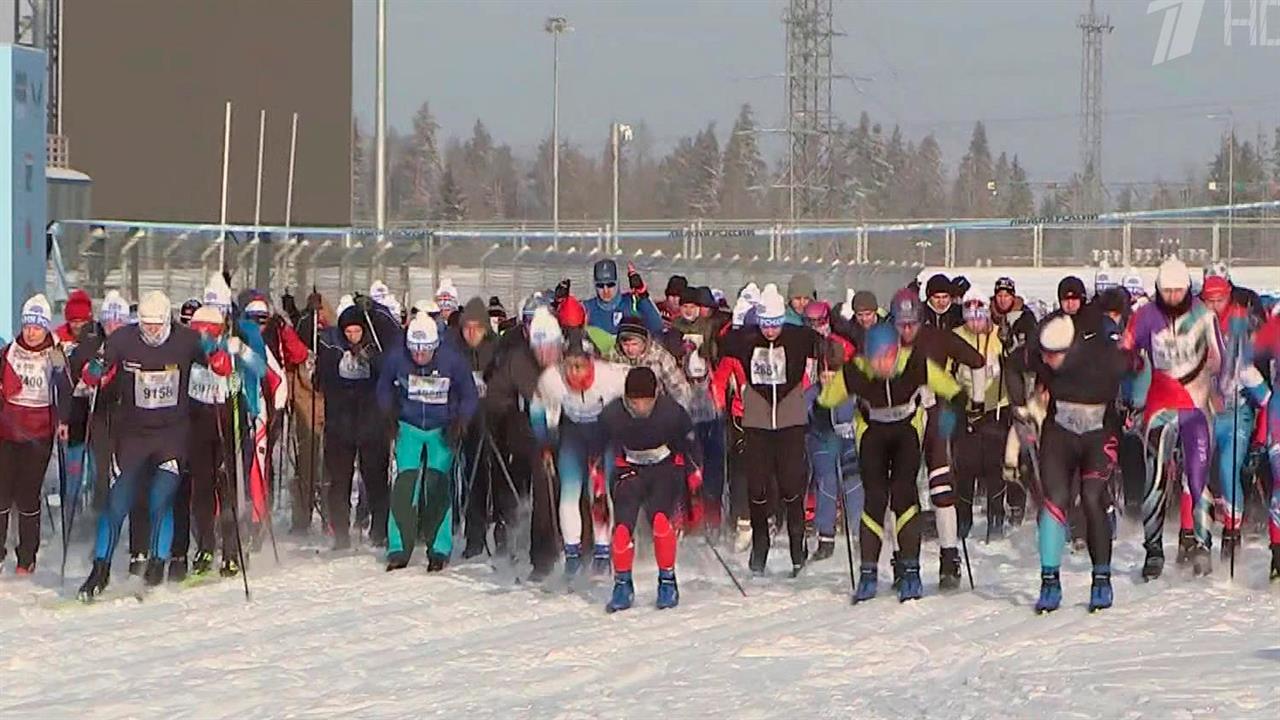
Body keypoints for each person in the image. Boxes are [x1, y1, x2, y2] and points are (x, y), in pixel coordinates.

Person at [77, 291, 233, 599]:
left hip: (172, 435)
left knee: (160, 499)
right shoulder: (123, 339)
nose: (150, 331)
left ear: (167, 321)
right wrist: (95, 371)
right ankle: (100, 569)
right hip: (133, 435)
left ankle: (158, 563)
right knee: (117, 503)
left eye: (156, 325)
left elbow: (223, 368)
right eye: (145, 324)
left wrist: (215, 352)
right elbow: (91, 374)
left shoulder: (185, 340)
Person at [819, 323, 965, 603]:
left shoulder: (915, 364)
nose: (882, 364)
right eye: (876, 357)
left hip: (907, 428)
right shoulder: (856, 370)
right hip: (872, 430)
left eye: (887, 356)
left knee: (904, 495)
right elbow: (824, 402)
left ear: (897, 352)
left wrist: (953, 416)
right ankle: (868, 573)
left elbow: (954, 391)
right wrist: (826, 429)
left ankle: (911, 571)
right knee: (874, 498)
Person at [1122, 257, 1222, 579]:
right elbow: (1125, 350)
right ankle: (1153, 550)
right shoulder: (1145, 315)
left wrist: (1218, 383)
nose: (1174, 296)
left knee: (1197, 478)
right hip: (1160, 407)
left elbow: (1219, 359)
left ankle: (1203, 547)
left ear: (1188, 289)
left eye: (1179, 290)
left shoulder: (1204, 316)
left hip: (1196, 407)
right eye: (1167, 291)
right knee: (1156, 481)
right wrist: (1130, 363)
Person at [718, 285, 821, 576]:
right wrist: (738, 320)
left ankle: (797, 544)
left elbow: (826, 339)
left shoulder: (797, 336)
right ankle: (760, 542)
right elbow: (721, 341)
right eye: (765, 324)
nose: (771, 331)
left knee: (791, 485)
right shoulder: (748, 339)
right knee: (757, 487)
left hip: (790, 419)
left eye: (775, 324)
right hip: (757, 420)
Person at [1031, 315, 1127, 613]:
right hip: (1060, 433)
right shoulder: (1042, 354)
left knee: (1091, 498)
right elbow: (1012, 366)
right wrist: (1024, 408)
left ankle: (1101, 578)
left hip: (1099, 434)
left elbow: (1139, 370)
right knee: (1054, 500)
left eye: (1055, 355)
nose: (1049, 360)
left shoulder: (1102, 356)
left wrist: (1136, 400)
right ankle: (1049, 581)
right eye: (1045, 354)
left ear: (1070, 348)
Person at [892, 288, 982, 587]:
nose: (906, 329)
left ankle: (949, 557)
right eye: (900, 323)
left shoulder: (937, 337)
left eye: (911, 323)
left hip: (933, 418)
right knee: (901, 493)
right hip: (900, 422)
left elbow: (977, 360)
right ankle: (901, 561)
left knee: (941, 488)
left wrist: (973, 397)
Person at [379, 312, 478, 571]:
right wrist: (388, 413)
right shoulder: (396, 357)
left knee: (437, 486)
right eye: (415, 349)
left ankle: (439, 548)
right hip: (409, 426)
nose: (419, 356)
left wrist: (461, 420)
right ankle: (399, 548)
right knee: (404, 485)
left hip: (441, 428)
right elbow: (383, 387)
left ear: (435, 345)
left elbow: (469, 393)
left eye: (425, 350)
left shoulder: (452, 360)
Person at [600, 366, 701, 612]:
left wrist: (692, 475)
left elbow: (690, 445)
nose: (640, 407)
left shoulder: (671, 412)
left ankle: (667, 581)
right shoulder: (613, 414)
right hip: (629, 469)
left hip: (663, 469)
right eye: (634, 401)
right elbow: (598, 447)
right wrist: (599, 479)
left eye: (645, 401)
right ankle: (622, 584)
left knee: (660, 522)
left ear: (655, 396)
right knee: (622, 530)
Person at [533, 334, 628, 575]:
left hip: (602, 436)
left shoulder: (610, 376)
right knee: (569, 491)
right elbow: (536, 410)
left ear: (592, 362)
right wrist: (544, 442)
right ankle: (572, 554)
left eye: (581, 365)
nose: (574, 373)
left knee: (599, 492)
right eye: (569, 366)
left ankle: (603, 552)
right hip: (573, 436)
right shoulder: (552, 379)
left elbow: (637, 394)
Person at [485, 306, 562, 579]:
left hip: (565, 432)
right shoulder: (517, 360)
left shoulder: (570, 357)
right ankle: (530, 551)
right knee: (530, 482)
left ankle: (568, 550)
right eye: (539, 347)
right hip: (526, 432)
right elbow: (496, 392)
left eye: (550, 347)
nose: (545, 354)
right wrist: (499, 410)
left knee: (559, 488)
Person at [0, 294, 72, 574]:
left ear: (45, 327)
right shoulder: (9, 351)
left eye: (37, 327)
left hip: (38, 433)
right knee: (2, 494)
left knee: (28, 495)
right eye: (28, 326)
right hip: (7, 431)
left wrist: (64, 420)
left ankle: (26, 556)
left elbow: (65, 389)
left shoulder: (54, 353)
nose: (31, 332)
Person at [1201, 275, 1267, 563]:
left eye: (1220, 299)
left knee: (1229, 469)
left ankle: (1232, 534)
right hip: (1202, 410)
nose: (1214, 305)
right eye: (1209, 300)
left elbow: (1259, 383)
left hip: (1236, 409)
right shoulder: (1196, 321)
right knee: (1196, 472)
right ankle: (1197, 539)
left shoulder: (1241, 321)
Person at [316, 301, 391, 550]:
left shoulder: (375, 348)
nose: (352, 337)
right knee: (339, 481)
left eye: (356, 331)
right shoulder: (332, 347)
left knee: (376, 479)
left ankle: (379, 529)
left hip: (371, 425)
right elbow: (321, 381)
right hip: (340, 426)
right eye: (348, 332)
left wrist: (371, 357)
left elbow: (387, 375)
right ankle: (340, 533)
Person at [952, 291, 1018, 542]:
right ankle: (964, 518)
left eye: (980, 317)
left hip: (996, 410)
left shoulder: (998, 337)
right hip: (966, 410)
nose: (975, 323)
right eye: (970, 317)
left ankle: (996, 517)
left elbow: (1014, 364)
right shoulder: (957, 337)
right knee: (965, 466)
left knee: (994, 466)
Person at [802, 301, 861, 562]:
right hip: (822, 438)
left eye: (833, 375)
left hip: (847, 440)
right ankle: (825, 536)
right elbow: (803, 410)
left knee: (852, 480)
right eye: (824, 375)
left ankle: (860, 532)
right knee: (826, 481)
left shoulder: (851, 391)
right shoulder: (813, 391)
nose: (828, 380)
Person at [582, 259, 663, 335]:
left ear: (618, 283)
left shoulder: (632, 302)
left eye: (611, 285)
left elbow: (656, 327)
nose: (606, 291)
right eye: (600, 285)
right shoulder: (587, 308)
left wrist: (642, 294)